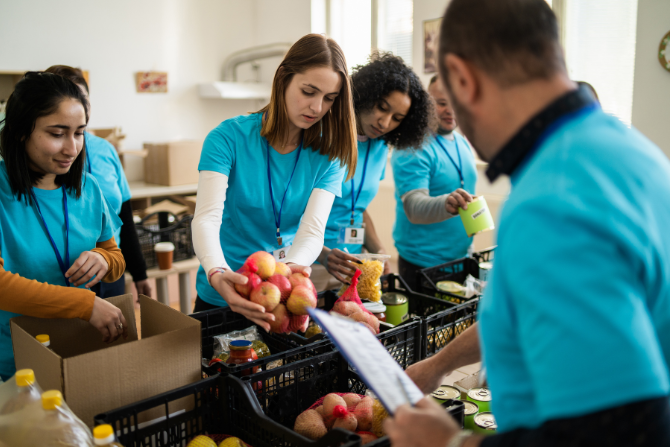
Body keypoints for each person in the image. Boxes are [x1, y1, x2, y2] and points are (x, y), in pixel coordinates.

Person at [386, 0, 670, 446]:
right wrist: (438, 364)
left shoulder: (553, 200)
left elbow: (614, 431)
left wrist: (448, 443)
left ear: (462, 78)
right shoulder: (632, 154)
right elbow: (514, 310)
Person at [192, 34, 357, 330]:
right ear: (283, 79)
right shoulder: (227, 138)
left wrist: (288, 274)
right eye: (309, 91)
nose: (317, 107)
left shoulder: (327, 155)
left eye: (329, 98)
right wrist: (217, 272)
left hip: (282, 298)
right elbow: (206, 218)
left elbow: (312, 232)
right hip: (222, 292)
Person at [0, 72, 129, 380]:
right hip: (14, 361)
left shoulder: (88, 188)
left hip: (78, 347)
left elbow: (114, 255)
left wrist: (103, 259)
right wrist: (85, 305)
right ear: (21, 131)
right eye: (57, 134)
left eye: (79, 133)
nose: (72, 149)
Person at [313, 52, 433, 290]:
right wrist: (323, 254)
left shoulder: (379, 147)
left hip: (353, 263)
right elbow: (290, 210)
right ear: (365, 94)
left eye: (397, 118)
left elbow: (357, 207)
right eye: (382, 108)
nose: (385, 123)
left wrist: (378, 250)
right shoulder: (320, 136)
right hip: (312, 261)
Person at [44, 65, 152, 299]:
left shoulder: (105, 150)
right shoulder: (39, 165)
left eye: (83, 99)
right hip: (61, 276)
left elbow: (124, 215)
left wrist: (140, 273)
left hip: (110, 270)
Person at [391, 75, 477, 291]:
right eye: (441, 103)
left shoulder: (461, 143)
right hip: (423, 267)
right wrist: (446, 203)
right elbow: (413, 206)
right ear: (426, 104)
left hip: (461, 259)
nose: (450, 110)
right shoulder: (412, 145)